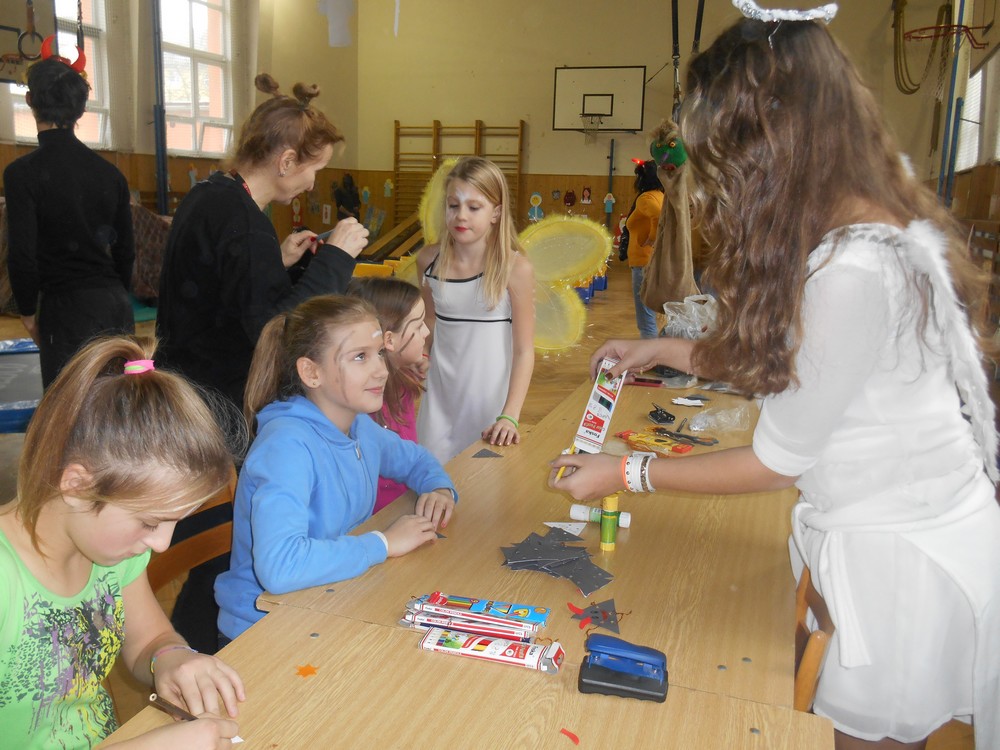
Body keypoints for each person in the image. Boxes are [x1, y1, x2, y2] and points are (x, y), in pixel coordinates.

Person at [550, 7, 1000, 750]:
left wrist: (625, 472)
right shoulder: (860, 230)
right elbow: (793, 364)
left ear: (772, 143)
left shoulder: (851, 269)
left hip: (902, 561)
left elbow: (775, 461)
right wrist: (662, 349)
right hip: (889, 529)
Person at [156, 73, 368, 655]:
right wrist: (336, 260)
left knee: (213, 540)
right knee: (220, 541)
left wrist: (282, 262)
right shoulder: (245, 222)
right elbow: (275, 332)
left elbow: (230, 295)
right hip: (216, 405)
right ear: (285, 159)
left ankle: (192, 646)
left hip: (188, 391)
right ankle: (199, 650)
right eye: (312, 169)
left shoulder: (211, 195)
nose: (313, 182)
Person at [0, 336, 245, 749]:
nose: (161, 545)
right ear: (77, 486)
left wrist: (170, 658)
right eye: (150, 522)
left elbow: (147, 639)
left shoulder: (111, 550)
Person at [216, 295, 456, 641]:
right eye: (360, 357)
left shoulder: (358, 426)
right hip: (264, 630)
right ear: (311, 372)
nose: (381, 370)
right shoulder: (286, 447)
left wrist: (438, 488)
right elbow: (280, 567)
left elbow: (415, 460)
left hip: (330, 603)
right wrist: (383, 543)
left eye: (379, 353)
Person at [4, 56, 135, 388]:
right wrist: (114, 297)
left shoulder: (22, 174)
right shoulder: (110, 174)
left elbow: (22, 255)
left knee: (68, 409)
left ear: (30, 100)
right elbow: (126, 252)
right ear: (81, 108)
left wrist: (27, 312)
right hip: (114, 303)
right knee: (118, 402)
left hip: (66, 309)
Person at [415, 156, 535, 464]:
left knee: (483, 485)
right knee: (433, 481)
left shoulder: (515, 269)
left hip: (490, 407)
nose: (461, 216)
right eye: (453, 205)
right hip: (439, 401)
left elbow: (524, 350)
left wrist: (510, 415)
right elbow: (428, 322)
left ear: (496, 212)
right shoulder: (428, 261)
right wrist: (421, 357)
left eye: (474, 207)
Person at [347, 276, 431, 514]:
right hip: (373, 523)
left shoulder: (402, 382)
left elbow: (414, 460)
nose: (426, 331)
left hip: (402, 509)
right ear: (389, 339)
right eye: (418, 325)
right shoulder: (358, 405)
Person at [625, 159, 663, 339]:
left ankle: (649, 353)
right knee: (649, 316)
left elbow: (658, 216)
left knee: (646, 320)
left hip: (643, 263)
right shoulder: (661, 195)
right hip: (653, 261)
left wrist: (652, 238)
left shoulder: (646, 198)